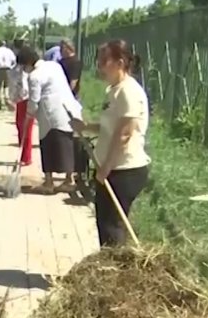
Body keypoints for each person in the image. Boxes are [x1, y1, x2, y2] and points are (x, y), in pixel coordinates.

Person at [70, 40, 150, 247]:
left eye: (105, 61)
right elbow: (110, 126)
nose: (100, 66)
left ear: (120, 62)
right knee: (104, 224)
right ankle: (108, 269)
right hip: (110, 168)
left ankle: (116, 272)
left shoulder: (128, 91)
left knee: (112, 227)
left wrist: (106, 167)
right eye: (99, 60)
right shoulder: (114, 90)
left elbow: (125, 133)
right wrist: (85, 126)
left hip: (124, 170)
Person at [20, 47, 81, 193]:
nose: (23, 69)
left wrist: (28, 116)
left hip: (51, 114)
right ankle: (69, 179)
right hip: (67, 109)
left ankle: (49, 182)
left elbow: (33, 100)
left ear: (28, 63)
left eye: (23, 66)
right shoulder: (54, 65)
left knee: (48, 145)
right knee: (67, 144)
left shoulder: (34, 76)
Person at [58, 42, 89, 184]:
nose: (60, 51)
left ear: (68, 48)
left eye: (62, 48)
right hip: (60, 98)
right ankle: (67, 172)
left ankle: (71, 175)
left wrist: (67, 96)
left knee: (73, 134)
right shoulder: (59, 62)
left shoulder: (75, 62)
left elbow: (74, 81)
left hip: (71, 98)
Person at [6, 53, 34, 166]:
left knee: (22, 128)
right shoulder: (24, 72)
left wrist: (12, 99)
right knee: (26, 129)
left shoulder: (14, 71)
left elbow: (12, 86)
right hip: (26, 99)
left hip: (20, 101)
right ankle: (25, 156)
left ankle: (25, 156)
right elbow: (25, 88)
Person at [0, 40, 16, 111]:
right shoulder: (9, 51)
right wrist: (11, 67)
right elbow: (14, 60)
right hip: (8, 69)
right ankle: (7, 102)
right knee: (7, 87)